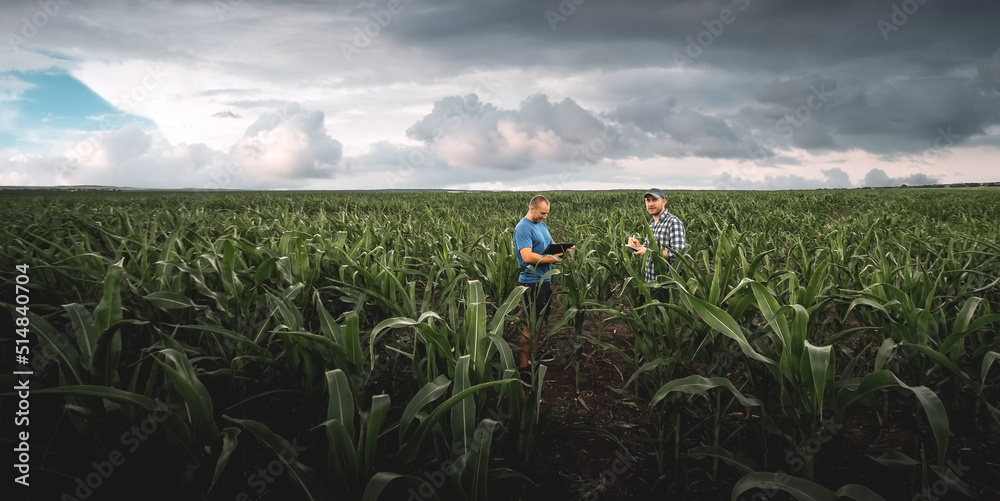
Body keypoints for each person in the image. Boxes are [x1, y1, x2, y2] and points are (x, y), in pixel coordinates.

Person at [513, 195, 569, 386]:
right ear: (532, 208)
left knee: (539, 319)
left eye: (547, 214)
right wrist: (553, 260)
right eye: (542, 213)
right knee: (529, 324)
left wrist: (563, 248)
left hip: (544, 280)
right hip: (531, 282)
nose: (544, 217)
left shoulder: (541, 225)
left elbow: (549, 247)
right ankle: (523, 367)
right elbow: (527, 256)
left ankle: (535, 352)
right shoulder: (523, 228)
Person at [627, 188, 686, 283]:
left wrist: (650, 252)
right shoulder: (651, 223)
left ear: (664, 202)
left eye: (654, 200)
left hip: (667, 284)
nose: (650, 204)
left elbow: (679, 254)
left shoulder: (673, 222)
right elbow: (648, 248)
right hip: (650, 281)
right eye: (648, 200)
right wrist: (638, 247)